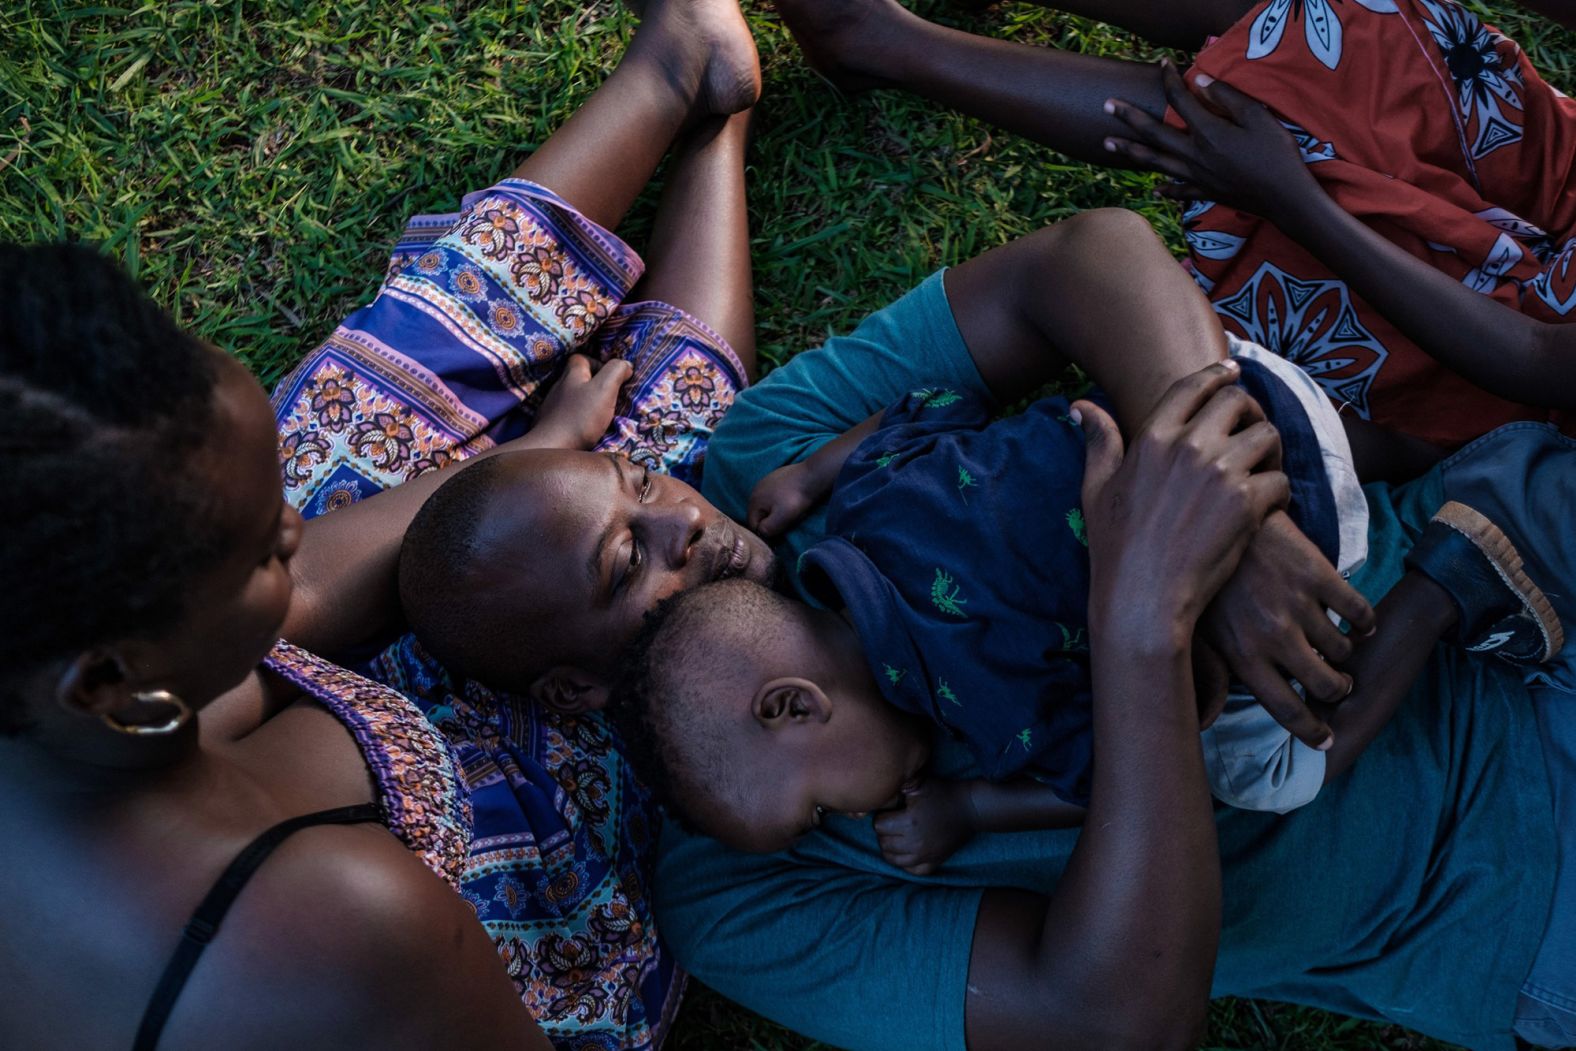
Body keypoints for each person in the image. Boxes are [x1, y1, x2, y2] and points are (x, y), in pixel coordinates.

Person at [1, 0, 766, 1046]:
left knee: (369, 430)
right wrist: (550, 483)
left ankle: (680, 67)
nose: (294, 536)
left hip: (322, 725)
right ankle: (709, 126)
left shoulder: (66, 687)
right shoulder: (333, 942)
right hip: (511, 884)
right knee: (640, 516)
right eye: (267, 547)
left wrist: (529, 467)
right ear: (111, 681)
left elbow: (302, 591)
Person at [772, 0, 1576, 451]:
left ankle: (882, 42)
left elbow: (1540, 361)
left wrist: (1294, 201)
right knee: (1368, 25)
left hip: (1514, 374)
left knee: (1301, 144)